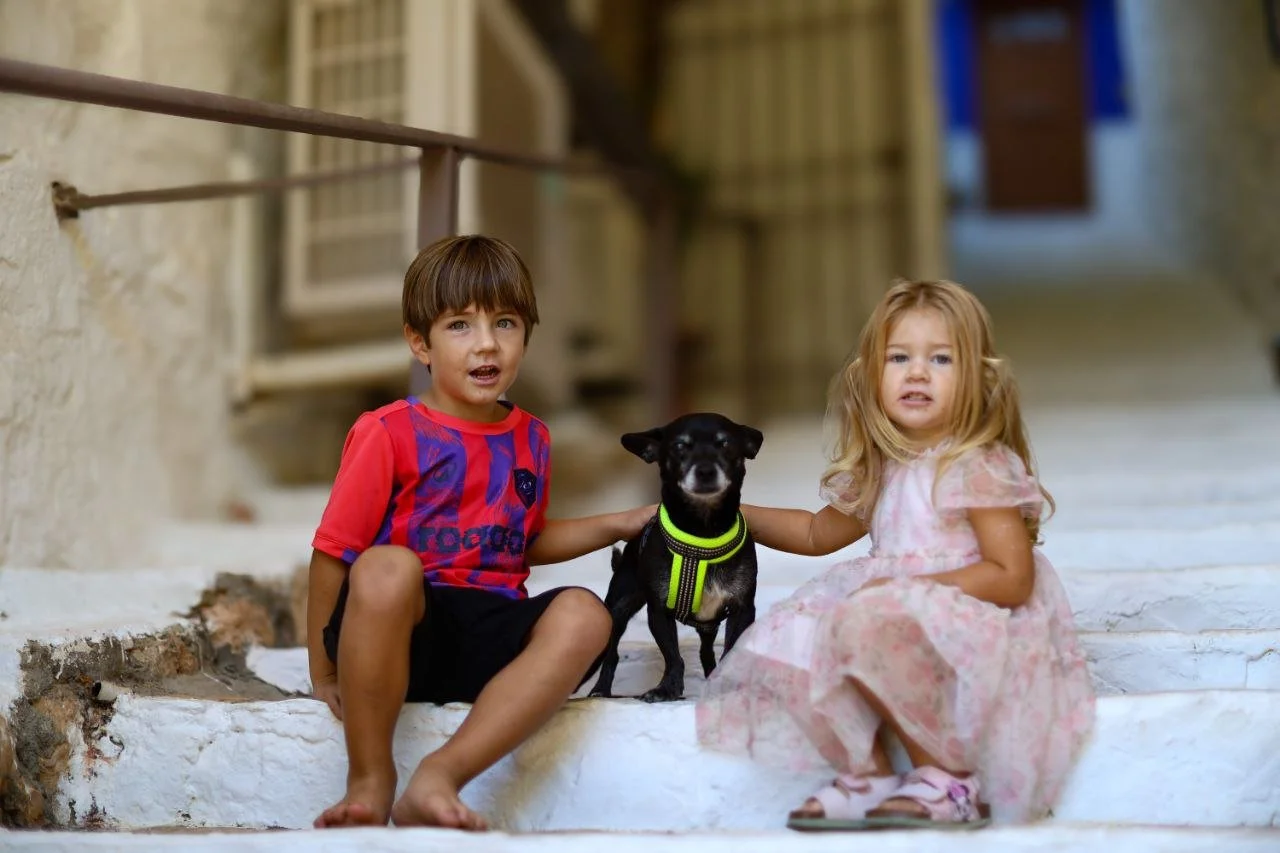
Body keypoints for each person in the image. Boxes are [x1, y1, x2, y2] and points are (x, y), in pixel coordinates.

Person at [696, 278, 1095, 829]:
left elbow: (1012, 577)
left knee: (868, 620)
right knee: (793, 636)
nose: (917, 373)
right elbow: (815, 534)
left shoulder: (976, 465)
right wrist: (723, 513)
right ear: (871, 377)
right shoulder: (883, 467)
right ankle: (869, 774)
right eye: (899, 357)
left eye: (941, 359)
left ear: (977, 379)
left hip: (965, 614)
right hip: (886, 609)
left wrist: (913, 591)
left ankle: (949, 778)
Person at [306, 235, 654, 831]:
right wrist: (325, 671)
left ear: (527, 337)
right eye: (460, 325)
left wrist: (619, 523)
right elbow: (333, 554)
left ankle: (439, 776)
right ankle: (370, 779)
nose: (487, 342)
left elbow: (522, 541)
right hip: (400, 633)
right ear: (420, 342)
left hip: (491, 635)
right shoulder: (388, 432)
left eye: (505, 323)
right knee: (388, 566)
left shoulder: (532, 437)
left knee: (586, 614)